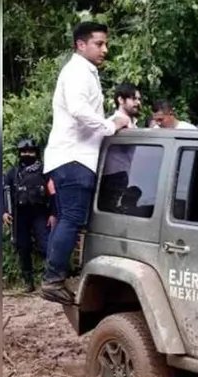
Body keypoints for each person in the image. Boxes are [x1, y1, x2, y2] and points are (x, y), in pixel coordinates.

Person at [41, 21, 131, 304]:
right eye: (99, 43)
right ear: (81, 44)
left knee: (68, 217)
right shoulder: (78, 71)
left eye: (105, 43)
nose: (104, 49)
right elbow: (79, 110)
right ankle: (53, 279)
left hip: (73, 156)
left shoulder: (83, 71)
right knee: (72, 218)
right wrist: (110, 124)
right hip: (74, 157)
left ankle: (55, 275)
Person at [3, 139, 54, 293]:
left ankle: (52, 279)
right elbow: (5, 193)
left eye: (30, 151)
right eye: (24, 152)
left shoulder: (45, 171)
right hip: (19, 215)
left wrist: (53, 213)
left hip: (39, 212)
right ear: (19, 153)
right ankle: (28, 282)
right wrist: (4, 212)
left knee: (46, 245)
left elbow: (52, 194)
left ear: (36, 153)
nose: (27, 154)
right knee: (23, 247)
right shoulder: (13, 173)